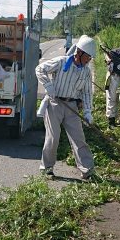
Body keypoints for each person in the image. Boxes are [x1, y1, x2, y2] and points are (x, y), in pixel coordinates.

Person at [35, 35, 96, 179]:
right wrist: (48, 86)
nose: (89, 60)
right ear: (79, 53)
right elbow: (40, 69)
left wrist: (88, 111)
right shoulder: (61, 62)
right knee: (53, 137)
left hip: (72, 106)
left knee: (78, 139)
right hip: (54, 103)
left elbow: (87, 92)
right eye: (88, 57)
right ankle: (47, 168)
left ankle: (87, 170)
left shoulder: (86, 71)